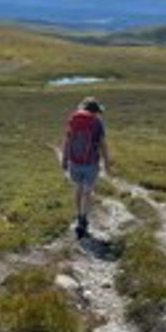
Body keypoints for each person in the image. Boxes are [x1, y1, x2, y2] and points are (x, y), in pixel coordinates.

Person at [60, 97, 111, 239]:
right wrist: (107, 163)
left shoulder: (74, 119)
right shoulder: (97, 122)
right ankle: (83, 219)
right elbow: (103, 144)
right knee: (87, 192)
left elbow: (67, 140)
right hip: (90, 163)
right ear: (95, 111)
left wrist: (64, 159)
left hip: (74, 162)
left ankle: (79, 216)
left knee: (78, 188)